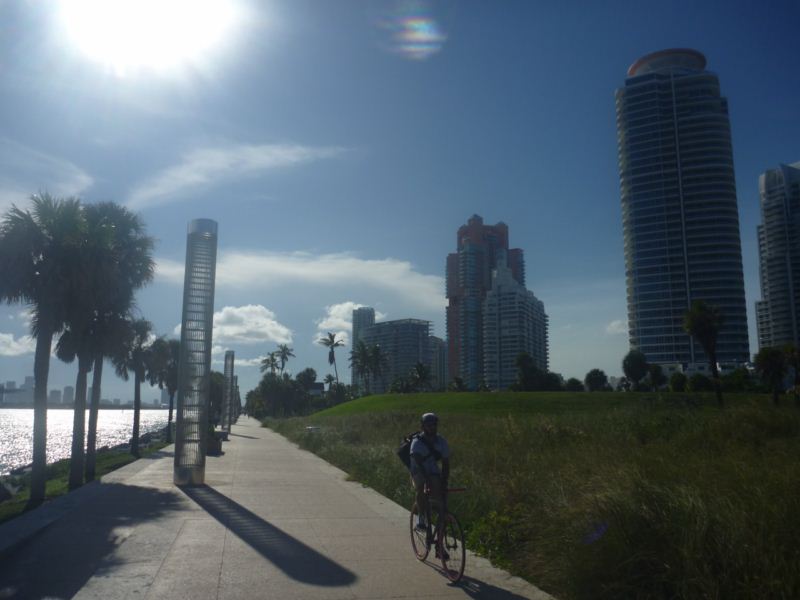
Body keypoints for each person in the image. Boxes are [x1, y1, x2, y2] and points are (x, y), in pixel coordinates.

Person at [410, 412, 450, 530]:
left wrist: (445, 480)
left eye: (434, 425)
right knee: (422, 488)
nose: (432, 427)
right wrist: (427, 479)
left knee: (441, 492)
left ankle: (443, 518)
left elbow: (446, 463)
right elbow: (417, 462)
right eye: (429, 425)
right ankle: (421, 518)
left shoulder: (441, 441)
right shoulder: (417, 442)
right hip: (418, 471)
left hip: (433, 471)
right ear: (423, 427)